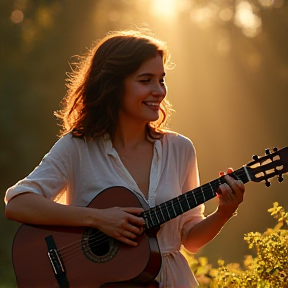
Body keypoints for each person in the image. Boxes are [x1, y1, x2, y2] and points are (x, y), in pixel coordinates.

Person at [4, 29, 245, 288]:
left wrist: (224, 212)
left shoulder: (180, 149)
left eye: (161, 80)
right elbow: (18, 203)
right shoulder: (78, 147)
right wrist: (99, 219)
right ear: (113, 85)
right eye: (145, 80)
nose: (159, 91)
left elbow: (190, 239)